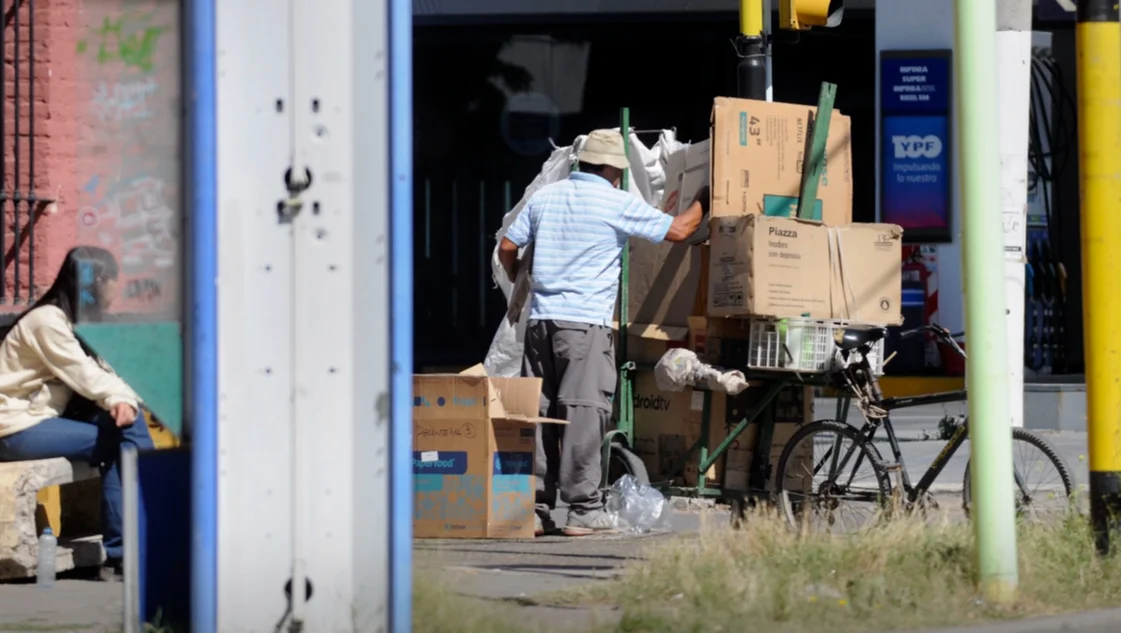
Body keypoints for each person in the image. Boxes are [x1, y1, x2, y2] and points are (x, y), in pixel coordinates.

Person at [498, 129, 708, 536]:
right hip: (583, 325)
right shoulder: (613, 202)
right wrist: (705, 197)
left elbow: (508, 246)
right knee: (582, 412)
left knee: (540, 415)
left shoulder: (546, 197)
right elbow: (680, 231)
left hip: (540, 323)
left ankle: (536, 510)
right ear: (613, 168)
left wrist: (518, 278)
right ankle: (582, 510)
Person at [0, 246, 154, 579]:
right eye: (114, 281)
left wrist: (125, 400)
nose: (116, 291)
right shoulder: (47, 322)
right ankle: (136, 542)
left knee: (126, 428)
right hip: (13, 428)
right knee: (120, 440)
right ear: (99, 281)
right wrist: (119, 399)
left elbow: (105, 370)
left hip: (41, 419)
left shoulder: (72, 320)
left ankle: (130, 548)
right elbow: (83, 373)